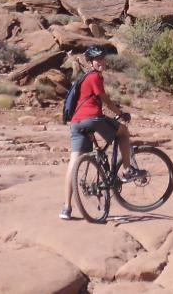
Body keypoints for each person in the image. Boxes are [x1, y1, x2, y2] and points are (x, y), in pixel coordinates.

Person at [61, 45, 143, 220]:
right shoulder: (94, 78)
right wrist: (121, 114)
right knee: (122, 132)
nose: (101, 62)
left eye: (103, 59)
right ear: (90, 62)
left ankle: (66, 208)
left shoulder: (83, 79)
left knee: (74, 162)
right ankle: (128, 170)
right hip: (92, 118)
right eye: (98, 59)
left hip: (76, 122)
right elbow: (105, 100)